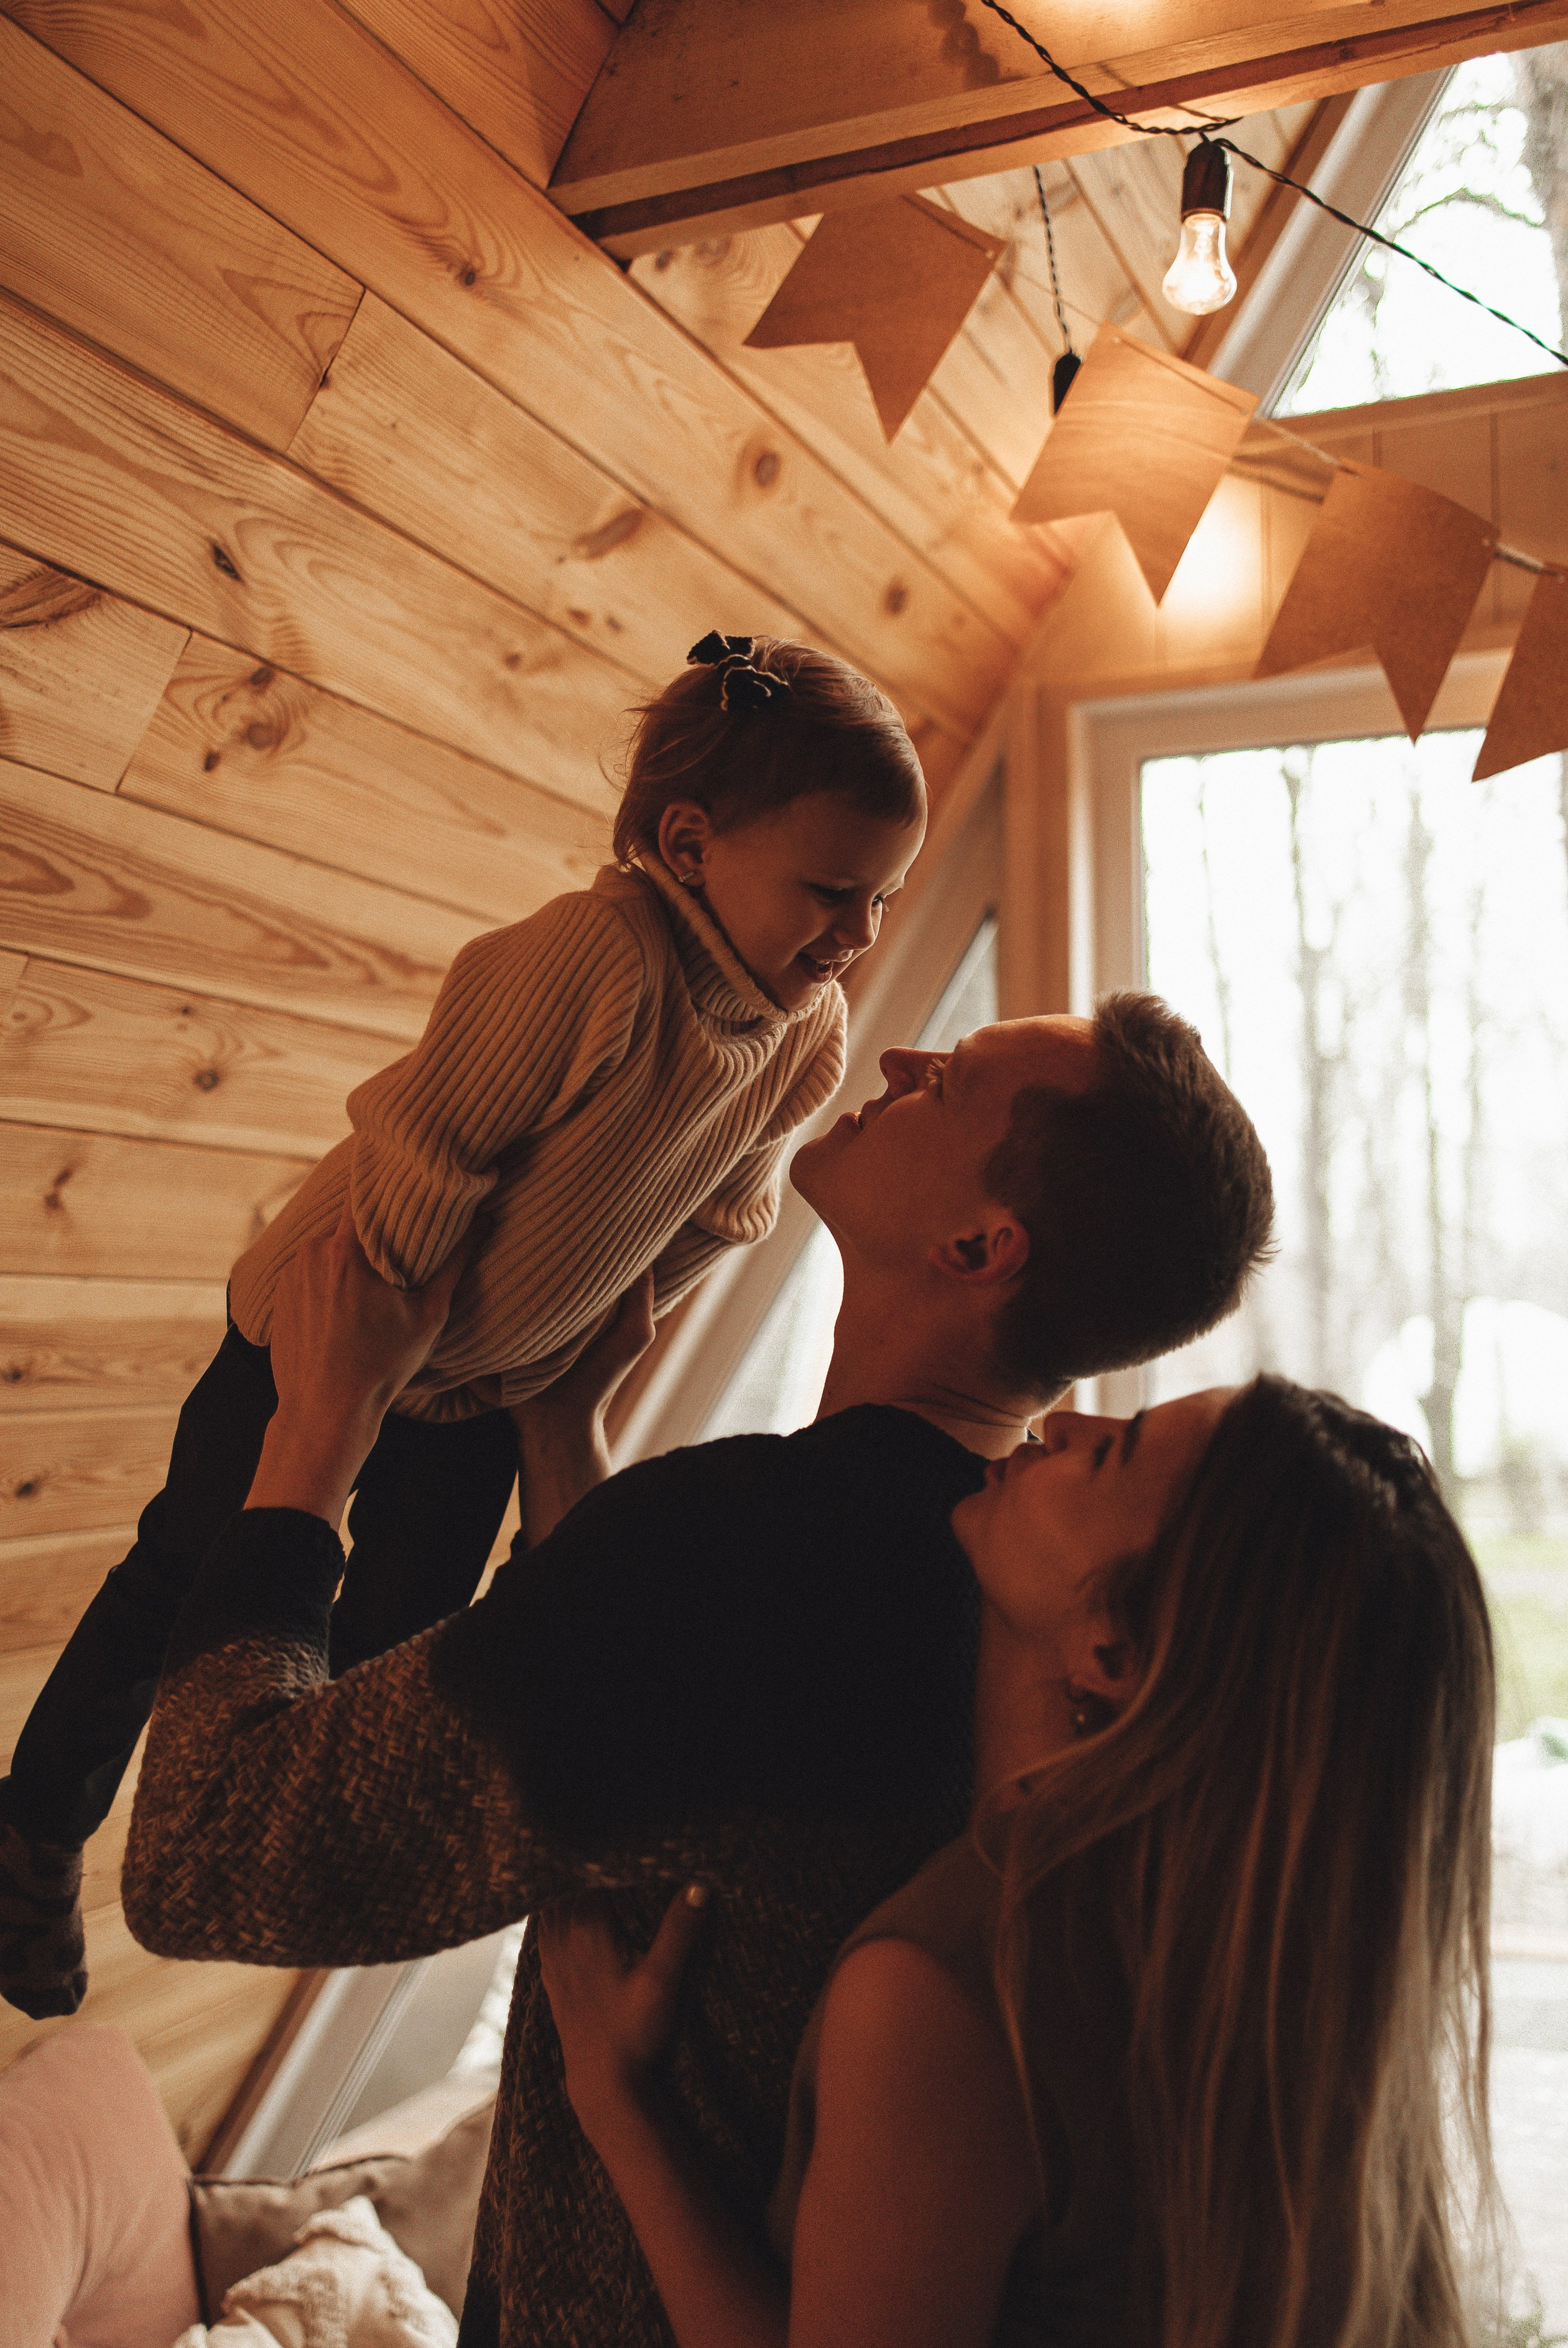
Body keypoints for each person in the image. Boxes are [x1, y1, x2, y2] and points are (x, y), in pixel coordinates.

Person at [116, 993, 1274, 2348]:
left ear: (980, 1246)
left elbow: (208, 1855)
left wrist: (314, 1437)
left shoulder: (746, 1552)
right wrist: (566, 1445)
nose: (903, 1058)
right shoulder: (996, 1579)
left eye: (949, 1081)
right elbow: (689, 1739)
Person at [0, 631, 925, 2020]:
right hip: (339, 1325)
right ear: (688, 843)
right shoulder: (593, 959)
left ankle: (274, 1826)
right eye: (832, 893)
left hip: (486, 1389)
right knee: (183, 1578)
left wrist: (580, 1345)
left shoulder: (801, 1036)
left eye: (882, 901)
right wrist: (372, 1362)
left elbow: (722, 1214)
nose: (856, 934)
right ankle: (34, 1828)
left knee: (402, 1642)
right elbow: (428, 1140)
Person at [540, 1378, 1498, 2348]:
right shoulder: (1260, 1988)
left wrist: (620, 2107)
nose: (1063, 1423)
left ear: (1111, 1652)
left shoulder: (950, 1994)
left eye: (1110, 1452)